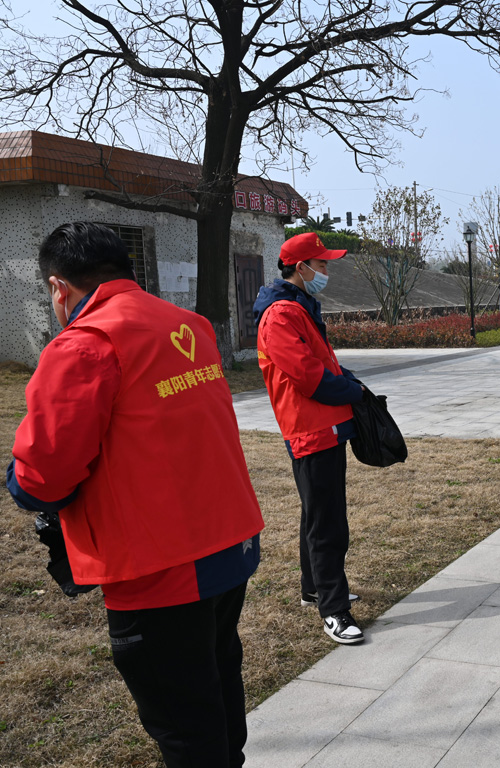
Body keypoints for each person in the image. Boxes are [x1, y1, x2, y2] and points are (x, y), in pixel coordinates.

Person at [7, 222, 265, 767]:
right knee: (218, 682)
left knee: (183, 723)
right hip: (228, 542)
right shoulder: (188, 324)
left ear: (58, 286)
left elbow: (41, 477)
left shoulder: (86, 345)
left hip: (159, 566)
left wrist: (19, 481)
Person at [253, 232, 366, 645]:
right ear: (300, 268)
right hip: (311, 430)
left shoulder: (299, 306)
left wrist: (348, 382)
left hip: (323, 427)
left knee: (316, 515)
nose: (326, 271)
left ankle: (314, 588)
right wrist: (352, 391)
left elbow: (321, 363)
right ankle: (334, 610)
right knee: (327, 524)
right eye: (321, 265)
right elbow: (308, 376)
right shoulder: (282, 314)